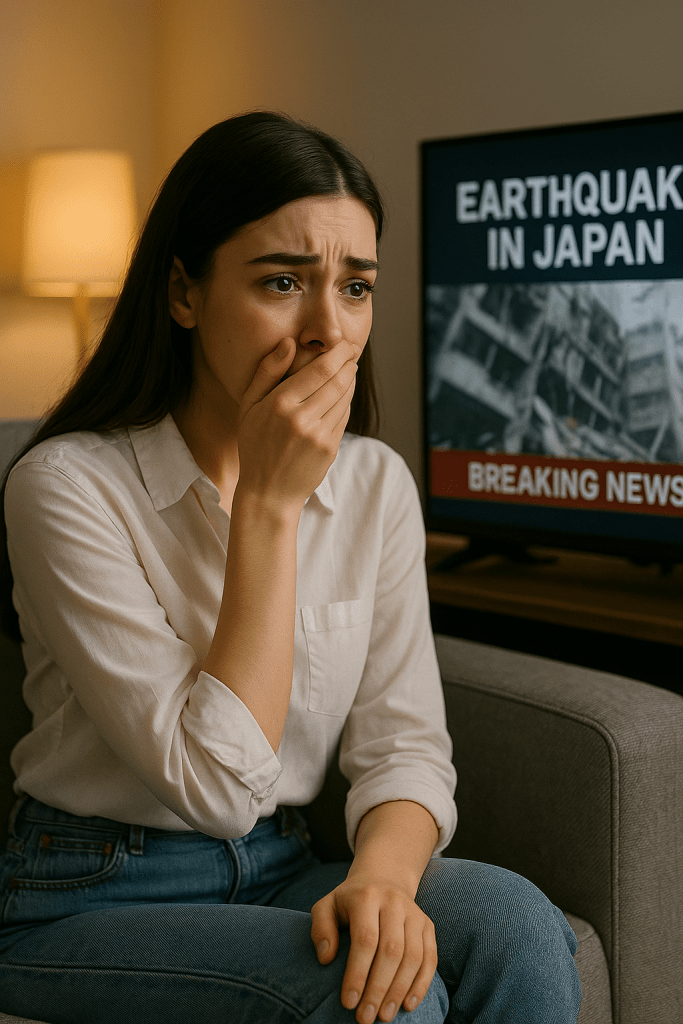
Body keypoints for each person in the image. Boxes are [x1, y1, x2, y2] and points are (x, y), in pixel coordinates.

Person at [0, 111, 581, 1024]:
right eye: (281, 281)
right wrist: (268, 508)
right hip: (88, 892)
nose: (326, 330)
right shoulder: (65, 486)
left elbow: (403, 747)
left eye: (355, 288)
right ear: (183, 292)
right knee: (376, 1001)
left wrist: (382, 881)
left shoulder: (374, 482)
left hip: (281, 862)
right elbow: (217, 788)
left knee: (514, 920)